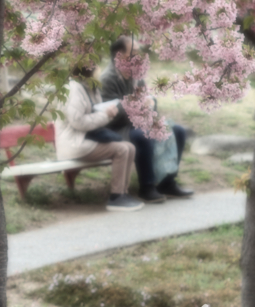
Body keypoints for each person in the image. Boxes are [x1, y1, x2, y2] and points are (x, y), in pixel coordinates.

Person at [100, 36, 193, 203]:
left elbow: (149, 102)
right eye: (134, 52)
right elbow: (110, 114)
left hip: (141, 121)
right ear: (119, 55)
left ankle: (167, 182)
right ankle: (147, 186)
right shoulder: (107, 79)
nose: (138, 56)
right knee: (142, 135)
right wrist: (137, 105)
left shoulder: (136, 74)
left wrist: (150, 103)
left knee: (177, 131)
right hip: (117, 128)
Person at [55, 64, 144, 212]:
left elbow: (95, 113)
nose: (100, 71)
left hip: (86, 139)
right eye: (96, 67)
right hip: (73, 144)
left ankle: (123, 193)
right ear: (88, 70)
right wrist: (105, 115)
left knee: (130, 147)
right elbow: (77, 121)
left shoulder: (90, 88)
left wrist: (107, 113)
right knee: (121, 149)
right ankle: (116, 197)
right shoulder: (73, 89)